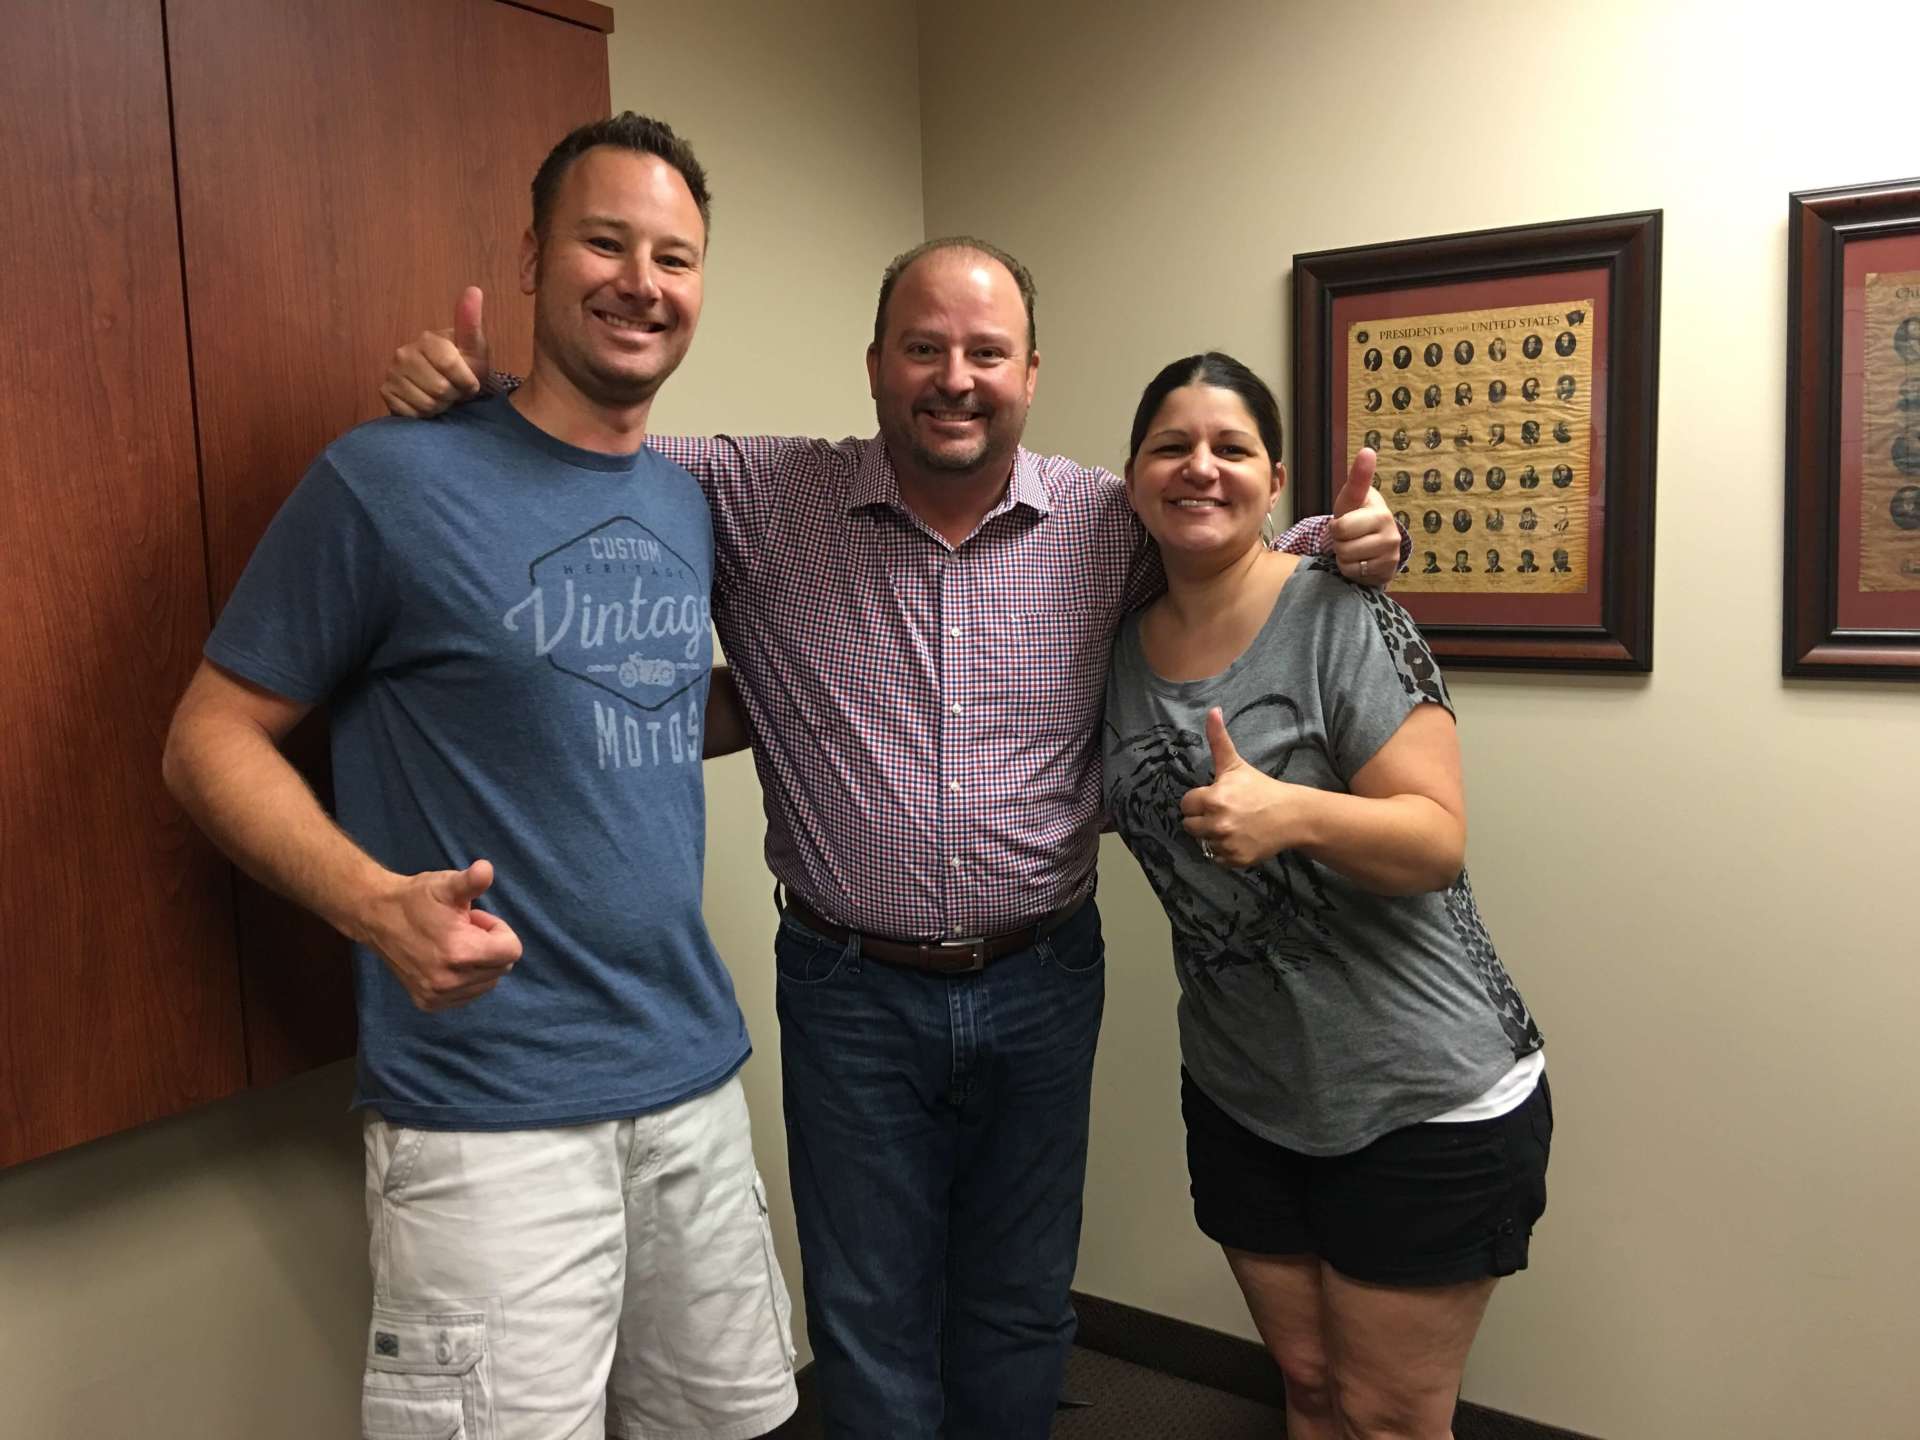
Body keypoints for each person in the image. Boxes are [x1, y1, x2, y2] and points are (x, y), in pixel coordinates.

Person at [379, 239, 1406, 1439]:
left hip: (1043, 977)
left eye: (987, 352)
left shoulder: (1101, 518)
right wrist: (473, 399)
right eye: (924, 348)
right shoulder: (760, 494)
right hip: (848, 989)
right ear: (875, 364)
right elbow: (583, 451)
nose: (955, 378)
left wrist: (1348, 537)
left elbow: (1230, 542)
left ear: (1032, 372)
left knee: (1021, 1302)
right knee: (868, 1311)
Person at [161, 114, 798, 1440]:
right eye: (605, 243)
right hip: (491, 1121)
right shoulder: (387, 480)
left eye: (674, 257)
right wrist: (372, 906)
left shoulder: (682, 501)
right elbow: (207, 739)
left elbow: (621, 703)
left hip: (690, 1082)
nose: (641, 282)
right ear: (530, 258)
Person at [1102, 352, 1549, 1440]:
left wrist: (1293, 813)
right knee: (1306, 1390)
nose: (1200, 467)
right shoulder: (1113, 649)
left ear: (1274, 478)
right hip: (1246, 1091)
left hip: (1420, 1095)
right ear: (1133, 477)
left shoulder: (1342, 611)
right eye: (1171, 446)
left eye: (1231, 447)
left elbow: (1435, 839)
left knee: (1387, 1417)